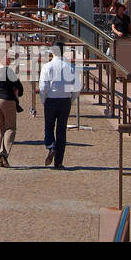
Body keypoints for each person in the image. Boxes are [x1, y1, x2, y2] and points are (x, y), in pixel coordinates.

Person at [39, 41, 78, 169]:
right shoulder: (71, 67)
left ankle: (51, 146)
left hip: (51, 99)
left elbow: (43, 87)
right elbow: (77, 87)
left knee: (49, 127)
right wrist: (71, 99)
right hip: (65, 100)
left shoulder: (47, 66)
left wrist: (43, 99)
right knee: (61, 129)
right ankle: (59, 162)